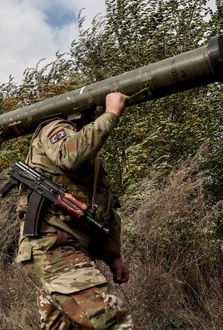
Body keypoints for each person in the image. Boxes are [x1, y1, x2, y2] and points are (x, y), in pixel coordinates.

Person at [15, 92, 133, 329]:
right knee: (113, 321)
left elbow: (104, 208)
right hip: (54, 249)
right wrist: (111, 115)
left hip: (64, 250)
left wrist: (113, 256)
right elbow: (70, 155)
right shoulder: (53, 127)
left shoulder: (90, 159)